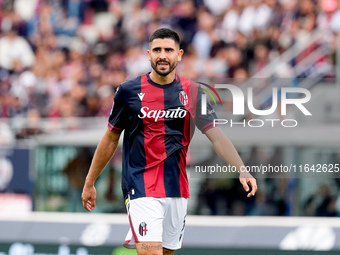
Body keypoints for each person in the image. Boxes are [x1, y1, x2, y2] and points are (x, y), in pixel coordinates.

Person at [81, 28, 257, 255]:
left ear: (179, 54)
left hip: (176, 188)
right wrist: (90, 181)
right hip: (140, 185)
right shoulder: (128, 91)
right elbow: (110, 139)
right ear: (148, 54)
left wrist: (242, 169)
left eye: (168, 50)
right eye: (157, 50)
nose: (162, 55)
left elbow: (217, 137)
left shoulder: (194, 92)